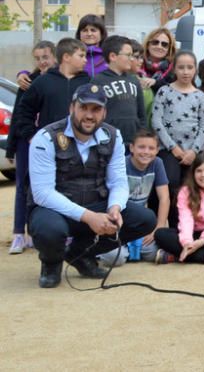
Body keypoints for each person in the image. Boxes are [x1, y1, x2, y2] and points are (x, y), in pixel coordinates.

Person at [28, 84, 157, 287]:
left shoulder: (113, 136)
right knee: (49, 230)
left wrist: (115, 208)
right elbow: (42, 193)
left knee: (144, 219)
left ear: (104, 112)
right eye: (84, 108)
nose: (89, 115)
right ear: (72, 108)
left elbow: (119, 182)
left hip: (95, 204)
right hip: (54, 210)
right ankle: (51, 264)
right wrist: (89, 217)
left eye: (96, 109)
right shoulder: (45, 138)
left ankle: (80, 255)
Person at [6, 40, 56, 254]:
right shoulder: (27, 82)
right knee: (22, 186)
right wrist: (10, 148)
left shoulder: (59, 81)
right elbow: (18, 115)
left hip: (50, 143)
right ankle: (19, 233)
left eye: (45, 57)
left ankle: (42, 233)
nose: (42, 62)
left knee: (48, 187)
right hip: (25, 142)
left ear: (55, 56)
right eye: (37, 58)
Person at [151, 51, 204, 223]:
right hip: (169, 149)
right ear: (174, 69)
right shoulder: (164, 91)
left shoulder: (200, 96)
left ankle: (187, 227)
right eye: (181, 67)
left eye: (190, 67)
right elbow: (156, 122)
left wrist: (194, 150)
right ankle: (168, 225)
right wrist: (173, 148)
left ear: (195, 70)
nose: (185, 72)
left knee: (191, 189)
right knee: (170, 185)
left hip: (193, 151)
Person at [96, 128, 170, 265]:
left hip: (138, 223)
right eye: (141, 147)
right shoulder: (122, 164)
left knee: (154, 251)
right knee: (115, 259)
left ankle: (129, 248)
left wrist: (158, 227)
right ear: (132, 148)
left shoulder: (157, 163)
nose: (146, 152)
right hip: (118, 218)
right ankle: (116, 249)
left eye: (151, 148)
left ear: (157, 150)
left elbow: (164, 198)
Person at [92, 35, 146, 147]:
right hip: (108, 142)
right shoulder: (98, 81)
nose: (132, 59)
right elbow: (94, 113)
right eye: (128, 55)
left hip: (132, 142)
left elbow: (142, 115)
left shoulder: (134, 80)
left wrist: (142, 137)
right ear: (113, 56)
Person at [138, 27, 176, 96]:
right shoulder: (136, 64)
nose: (159, 47)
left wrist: (156, 83)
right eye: (155, 42)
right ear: (148, 44)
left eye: (164, 44)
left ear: (169, 48)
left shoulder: (175, 69)